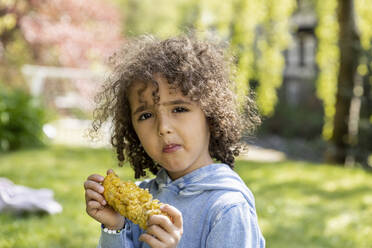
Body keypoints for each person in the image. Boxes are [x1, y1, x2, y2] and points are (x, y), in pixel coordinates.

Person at [84, 34, 265, 248]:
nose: (163, 128)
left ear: (211, 114)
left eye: (179, 109)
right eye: (145, 115)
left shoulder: (227, 208)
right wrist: (115, 228)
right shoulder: (139, 200)